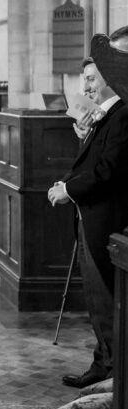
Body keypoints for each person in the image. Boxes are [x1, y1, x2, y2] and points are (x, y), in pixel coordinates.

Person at [48, 54, 128, 388]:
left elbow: (108, 171)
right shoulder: (103, 116)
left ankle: (113, 373)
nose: (86, 86)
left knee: (106, 299)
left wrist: (68, 189)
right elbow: (93, 162)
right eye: (85, 80)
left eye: (92, 79)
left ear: (110, 77)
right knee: (96, 300)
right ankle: (103, 362)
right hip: (89, 216)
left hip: (105, 219)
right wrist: (67, 179)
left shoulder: (122, 115)